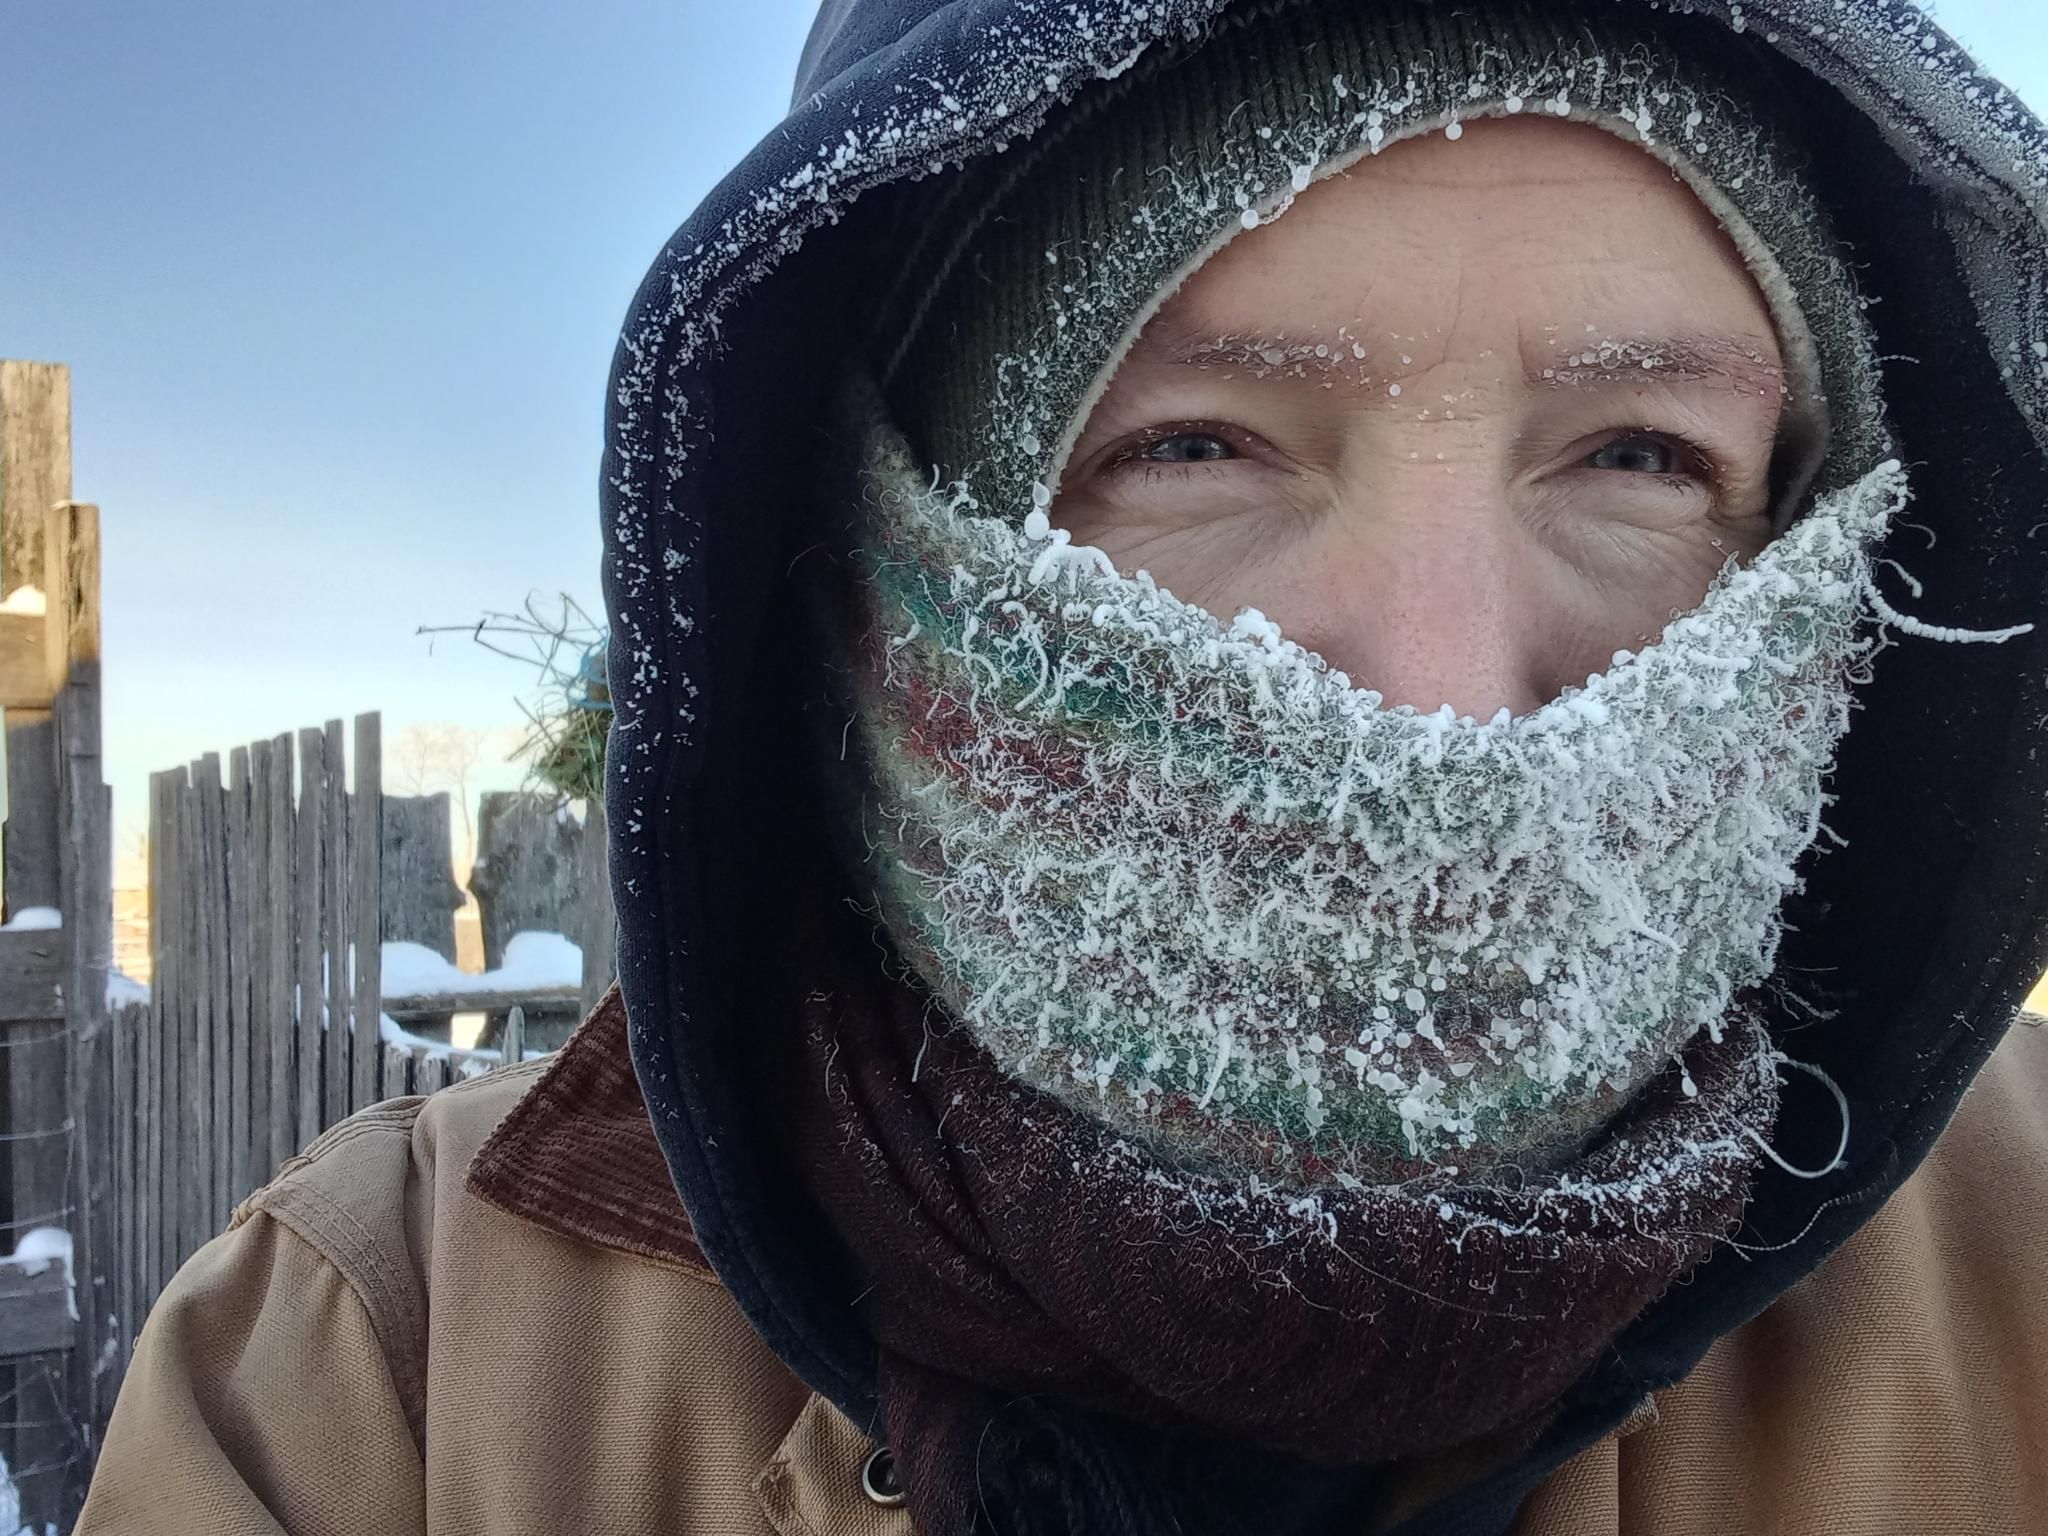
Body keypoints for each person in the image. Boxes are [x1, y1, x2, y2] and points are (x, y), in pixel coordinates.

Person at [78, 1, 2048, 1532]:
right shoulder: (385, 1372)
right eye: (1190, 446)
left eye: (1639, 459)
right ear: (866, 563)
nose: (1445, 699)